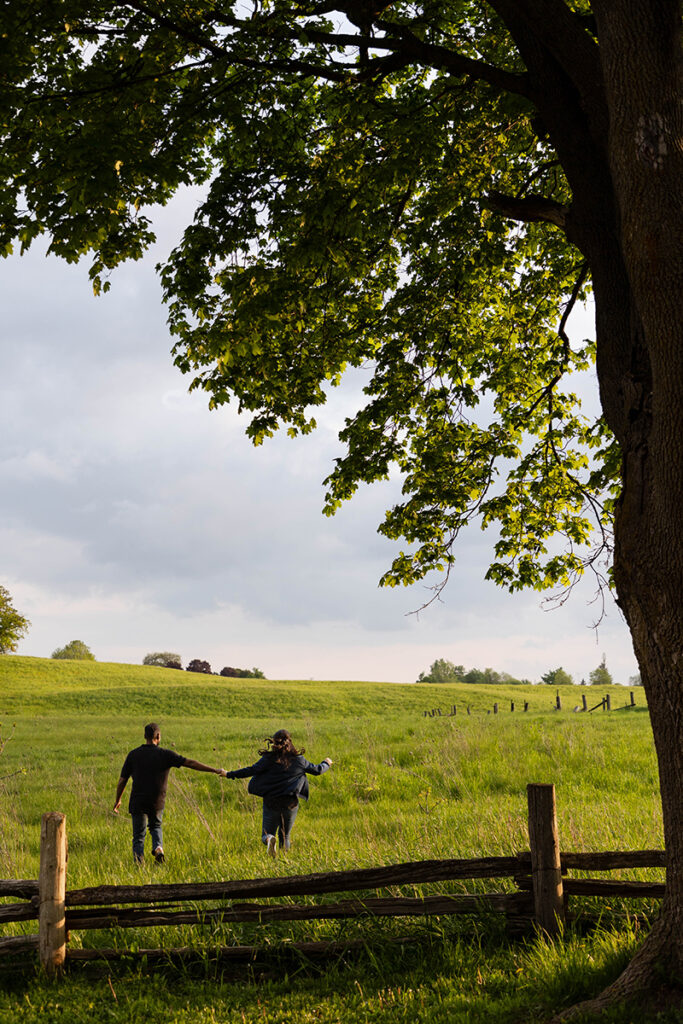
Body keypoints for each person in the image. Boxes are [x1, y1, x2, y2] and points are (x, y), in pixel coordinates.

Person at [113, 722, 227, 864]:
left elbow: (122, 781)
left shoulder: (133, 755)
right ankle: (158, 847)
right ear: (158, 736)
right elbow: (190, 763)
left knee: (138, 837)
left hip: (138, 801)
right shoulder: (165, 754)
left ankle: (139, 867)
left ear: (144, 736)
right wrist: (214, 770)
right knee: (155, 826)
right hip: (157, 801)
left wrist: (118, 799)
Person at [223, 729, 332, 856]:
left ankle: (269, 839)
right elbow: (317, 770)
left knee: (266, 833)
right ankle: (283, 860)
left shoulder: (268, 759)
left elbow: (250, 770)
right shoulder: (299, 760)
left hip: (271, 802)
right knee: (285, 835)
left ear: (274, 743)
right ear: (290, 743)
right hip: (290, 803)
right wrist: (327, 763)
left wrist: (228, 774)